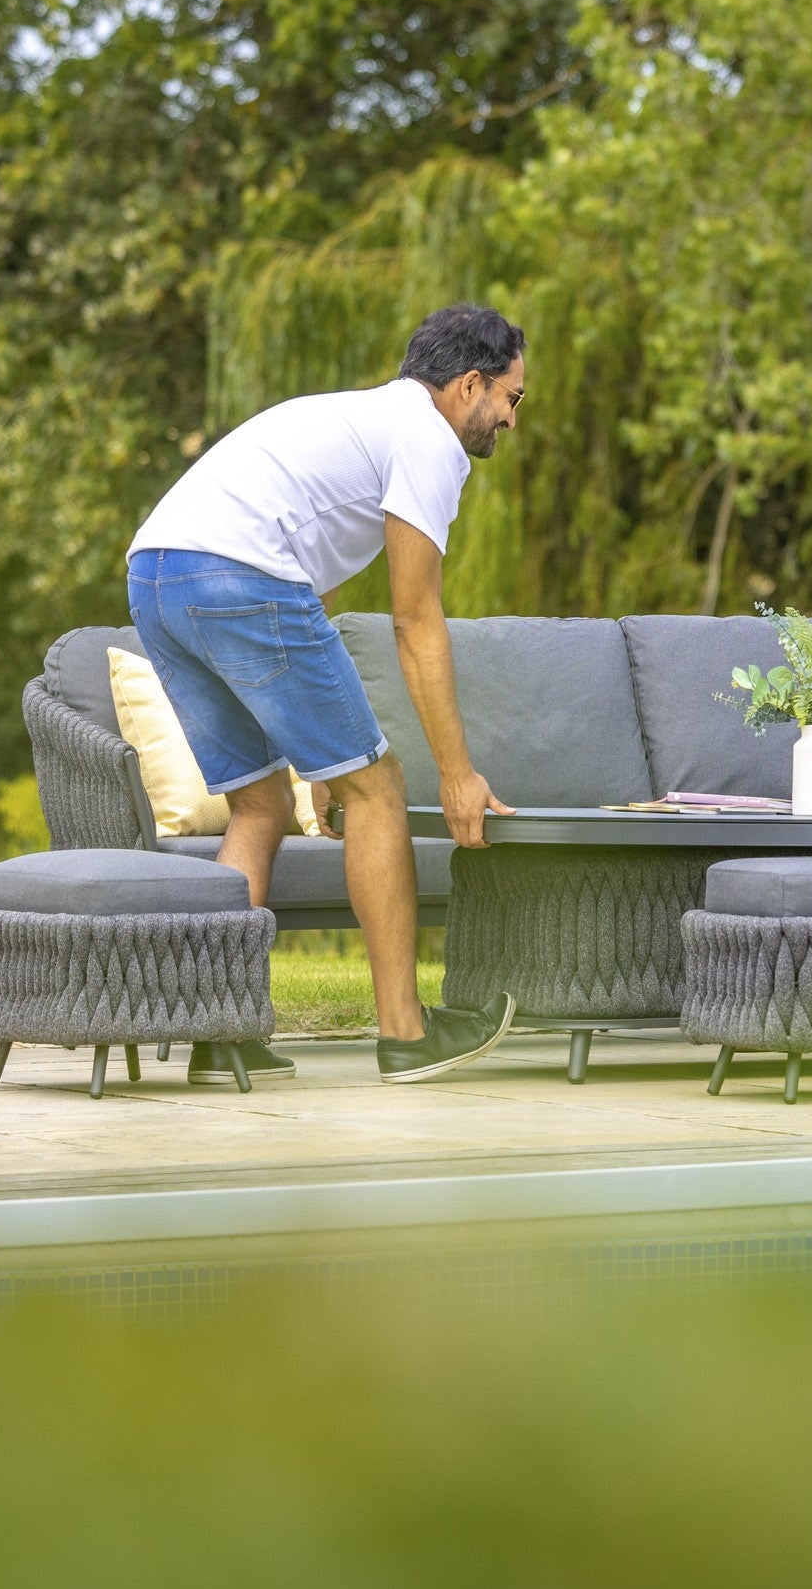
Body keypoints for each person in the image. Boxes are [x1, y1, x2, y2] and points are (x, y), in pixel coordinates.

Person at [126, 304, 527, 1085]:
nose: (511, 419)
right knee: (377, 790)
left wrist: (320, 752)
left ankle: (222, 1029)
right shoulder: (427, 441)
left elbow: (312, 586)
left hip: (157, 575)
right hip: (237, 575)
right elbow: (416, 618)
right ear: (469, 385)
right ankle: (406, 1034)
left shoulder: (356, 418)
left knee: (259, 806)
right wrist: (456, 773)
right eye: (512, 399)